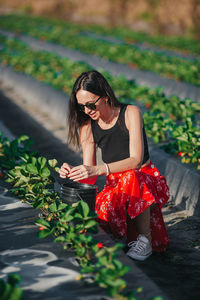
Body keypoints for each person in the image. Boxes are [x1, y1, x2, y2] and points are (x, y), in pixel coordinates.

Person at [59, 70, 170, 261]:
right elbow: (91, 176)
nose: (86, 111)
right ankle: (124, 236)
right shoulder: (87, 128)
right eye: (81, 107)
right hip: (115, 183)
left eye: (90, 104)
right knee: (97, 218)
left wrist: (98, 169)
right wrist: (74, 172)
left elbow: (136, 160)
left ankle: (145, 240)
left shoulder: (130, 113)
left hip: (145, 179)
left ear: (105, 96)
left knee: (132, 177)